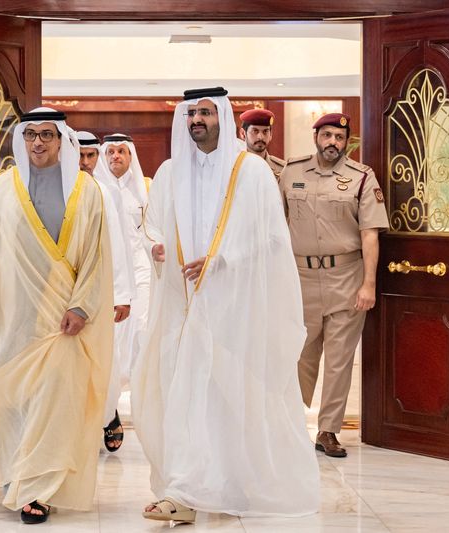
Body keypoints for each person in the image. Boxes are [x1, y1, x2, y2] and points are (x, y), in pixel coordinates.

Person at [131, 87, 320, 523]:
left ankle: (225, 483)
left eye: (206, 112)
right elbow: (152, 226)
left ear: (223, 117)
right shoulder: (169, 172)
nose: (198, 120)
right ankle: (182, 489)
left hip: (234, 307)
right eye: (191, 113)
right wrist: (157, 247)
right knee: (183, 394)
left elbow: (272, 237)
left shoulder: (250, 172)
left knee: (227, 399)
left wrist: (222, 261)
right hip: (181, 307)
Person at [0, 108, 114, 524]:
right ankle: (19, 477)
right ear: (22, 140)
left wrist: (81, 305)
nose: (38, 142)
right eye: (31, 135)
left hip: (63, 321)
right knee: (12, 403)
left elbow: (96, 256)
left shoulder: (86, 190)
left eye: (47, 135)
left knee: (55, 401)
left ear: (61, 140)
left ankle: (37, 490)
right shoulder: (2, 190)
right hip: (13, 321)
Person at [280, 112, 389, 458]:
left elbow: (369, 234)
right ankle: (290, 424)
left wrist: (368, 284)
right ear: (316, 137)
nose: (332, 143)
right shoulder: (290, 172)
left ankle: (328, 431)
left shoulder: (362, 178)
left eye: (339, 138)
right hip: (299, 278)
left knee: (340, 360)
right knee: (299, 355)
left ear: (346, 142)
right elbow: (275, 227)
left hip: (346, 276)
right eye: (326, 135)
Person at [94, 133, 152, 453]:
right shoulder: (94, 191)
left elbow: (151, 233)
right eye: (111, 151)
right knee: (111, 350)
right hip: (107, 278)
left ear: (131, 155)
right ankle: (107, 412)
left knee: (140, 340)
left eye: (122, 151)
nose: (116, 156)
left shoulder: (144, 189)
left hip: (141, 275)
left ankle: (144, 412)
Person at [76, 130, 133, 452]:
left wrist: (122, 295)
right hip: (67, 295)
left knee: (106, 363)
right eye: (80, 156)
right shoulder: (65, 191)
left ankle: (108, 415)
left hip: (103, 293)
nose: (85, 162)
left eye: (91, 156)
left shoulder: (104, 192)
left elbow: (119, 247)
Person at [239, 108, 286, 182]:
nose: (260, 137)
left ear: (271, 135)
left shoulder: (283, 168)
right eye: (255, 131)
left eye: (265, 131)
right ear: (243, 134)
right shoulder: (233, 165)